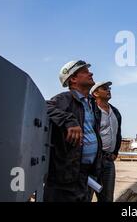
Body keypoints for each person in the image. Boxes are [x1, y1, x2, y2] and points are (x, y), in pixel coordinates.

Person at [43, 60, 102, 202]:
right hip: (66, 175)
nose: (91, 73)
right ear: (73, 79)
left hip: (84, 172)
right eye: (85, 72)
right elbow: (44, 107)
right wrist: (69, 120)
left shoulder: (91, 103)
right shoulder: (65, 98)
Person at [90, 81, 122, 202]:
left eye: (109, 88)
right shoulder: (90, 110)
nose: (108, 90)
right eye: (104, 88)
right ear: (96, 93)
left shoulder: (115, 112)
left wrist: (115, 152)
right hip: (92, 161)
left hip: (108, 160)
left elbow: (118, 134)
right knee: (86, 195)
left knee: (107, 198)